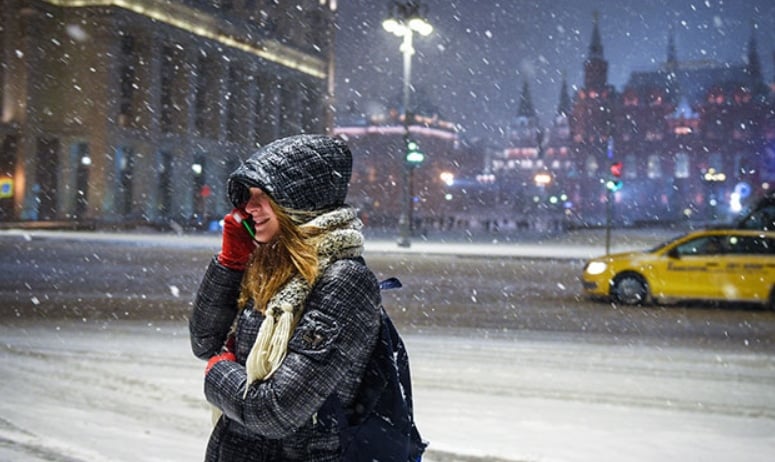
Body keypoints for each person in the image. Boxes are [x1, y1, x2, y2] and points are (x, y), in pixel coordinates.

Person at [189, 134, 388, 461]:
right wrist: (230, 262)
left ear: (299, 201)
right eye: (248, 196)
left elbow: (276, 410)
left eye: (262, 196)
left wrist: (218, 374)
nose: (249, 208)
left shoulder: (344, 282)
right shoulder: (269, 267)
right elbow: (204, 340)